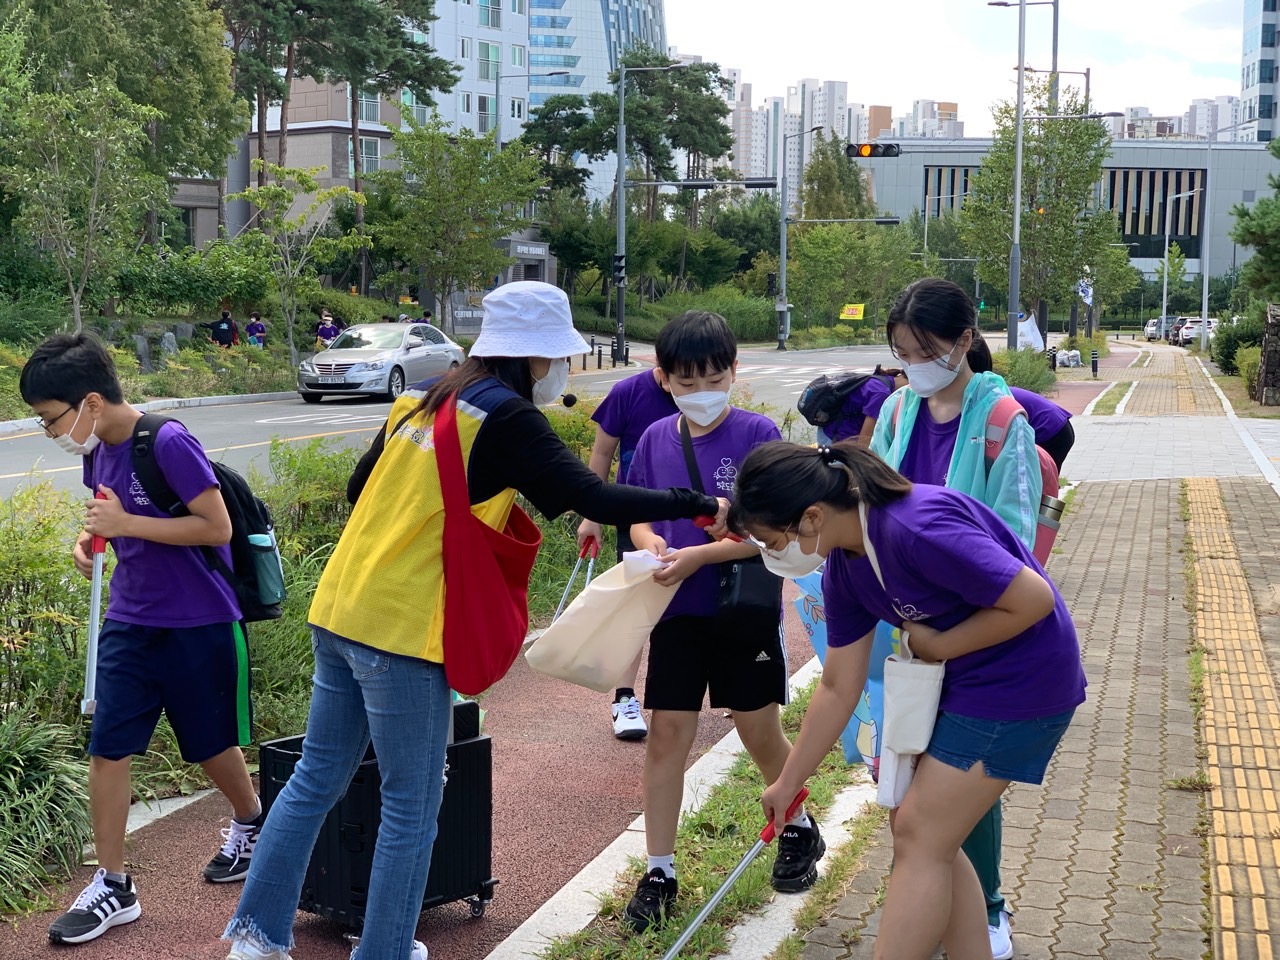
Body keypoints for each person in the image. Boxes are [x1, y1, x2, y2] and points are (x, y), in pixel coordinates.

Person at [222, 281, 730, 960]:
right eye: (559, 358)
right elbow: (592, 496)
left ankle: (256, 940)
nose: (562, 370)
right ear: (535, 357)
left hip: (340, 606)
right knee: (411, 803)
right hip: (403, 625)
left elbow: (357, 488)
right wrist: (698, 503)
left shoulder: (423, 396)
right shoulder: (509, 418)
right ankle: (385, 950)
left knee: (315, 779)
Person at [729, 441, 1085, 960]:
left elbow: (1033, 599)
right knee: (921, 831)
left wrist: (941, 644)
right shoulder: (845, 566)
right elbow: (838, 685)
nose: (770, 554)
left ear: (811, 516)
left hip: (1022, 681)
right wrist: (788, 782)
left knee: (921, 833)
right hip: (966, 684)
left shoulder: (917, 527)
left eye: (770, 540)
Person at [20, 334, 264, 946]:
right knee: (108, 747)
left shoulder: (167, 441)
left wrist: (126, 523)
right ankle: (113, 884)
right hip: (130, 620)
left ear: (90, 402)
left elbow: (215, 527)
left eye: (51, 418)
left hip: (200, 620)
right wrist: (90, 542)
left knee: (210, 744)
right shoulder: (98, 450)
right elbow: (109, 519)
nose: (51, 431)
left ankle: (251, 821)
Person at [620, 310, 824, 934]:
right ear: (663, 378)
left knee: (758, 730)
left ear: (734, 370)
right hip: (676, 612)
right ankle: (659, 871)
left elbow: (773, 531)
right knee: (666, 736)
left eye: (714, 378)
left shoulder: (759, 433)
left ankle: (797, 824)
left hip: (743, 611)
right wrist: (651, 542)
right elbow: (635, 511)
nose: (702, 391)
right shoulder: (655, 438)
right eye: (687, 381)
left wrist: (700, 556)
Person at [870, 277, 1043, 960]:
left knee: (966, 778)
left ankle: (989, 907)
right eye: (903, 353)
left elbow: (1016, 539)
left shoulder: (1002, 421)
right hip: (911, 628)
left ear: (965, 341)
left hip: (974, 632)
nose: (914, 365)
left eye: (926, 351)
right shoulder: (896, 411)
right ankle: (935, 900)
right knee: (914, 775)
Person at [576, 365, 678, 740]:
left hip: (691, 515)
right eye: (676, 375)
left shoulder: (700, 392)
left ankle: (711, 691)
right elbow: (603, 452)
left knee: (688, 607)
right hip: (636, 514)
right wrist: (592, 516)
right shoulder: (627, 392)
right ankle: (624, 699)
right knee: (636, 606)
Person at [816, 367, 908, 446]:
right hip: (836, 439)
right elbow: (865, 439)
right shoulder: (881, 393)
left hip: (828, 430)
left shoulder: (882, 380)